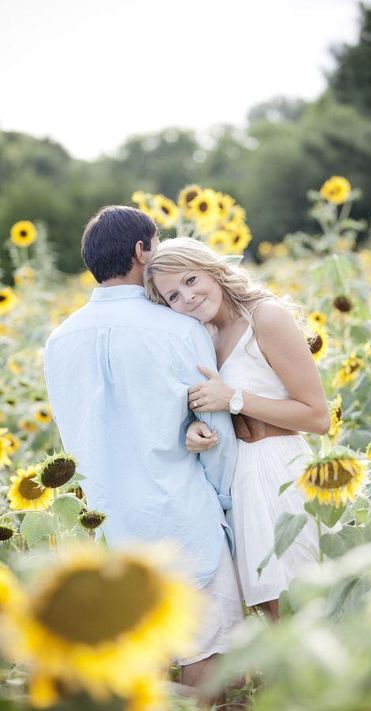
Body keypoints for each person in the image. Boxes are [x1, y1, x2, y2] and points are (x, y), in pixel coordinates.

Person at [44, 206, 243, 687]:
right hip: (184, 515)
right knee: (214, 660)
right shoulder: (180, 329)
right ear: (141, 250)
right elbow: (214, 431)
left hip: (111, 526)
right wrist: (227, 508)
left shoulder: (58, 341)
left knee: (141, 668)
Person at [144, 237, 330, 620]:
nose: (188, 297)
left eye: (191, 280)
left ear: (213, 269)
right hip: (239, 478)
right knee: (268, 607)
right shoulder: (204, 336)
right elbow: (219, 403)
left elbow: (317, 416)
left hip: (280, 471)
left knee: (299, 601)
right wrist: (198, 428)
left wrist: (233, 399)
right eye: (173, 296)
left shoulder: (265, 316)